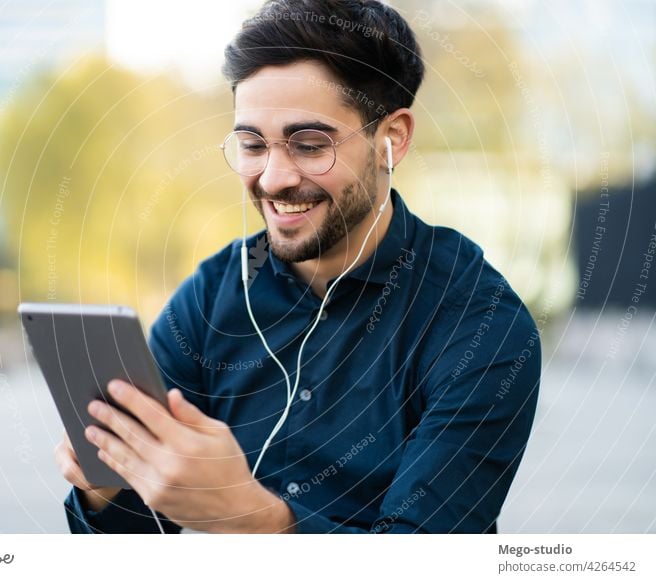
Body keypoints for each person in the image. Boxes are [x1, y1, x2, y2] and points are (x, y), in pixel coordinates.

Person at [56, 0, 541, 534]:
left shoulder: (480, 325)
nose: (273, 178)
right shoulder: (212, 296)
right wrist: (106, 489)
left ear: (393, 138)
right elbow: (136, 545)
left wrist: (256, 518)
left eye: (310, 145)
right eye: (252, 144)